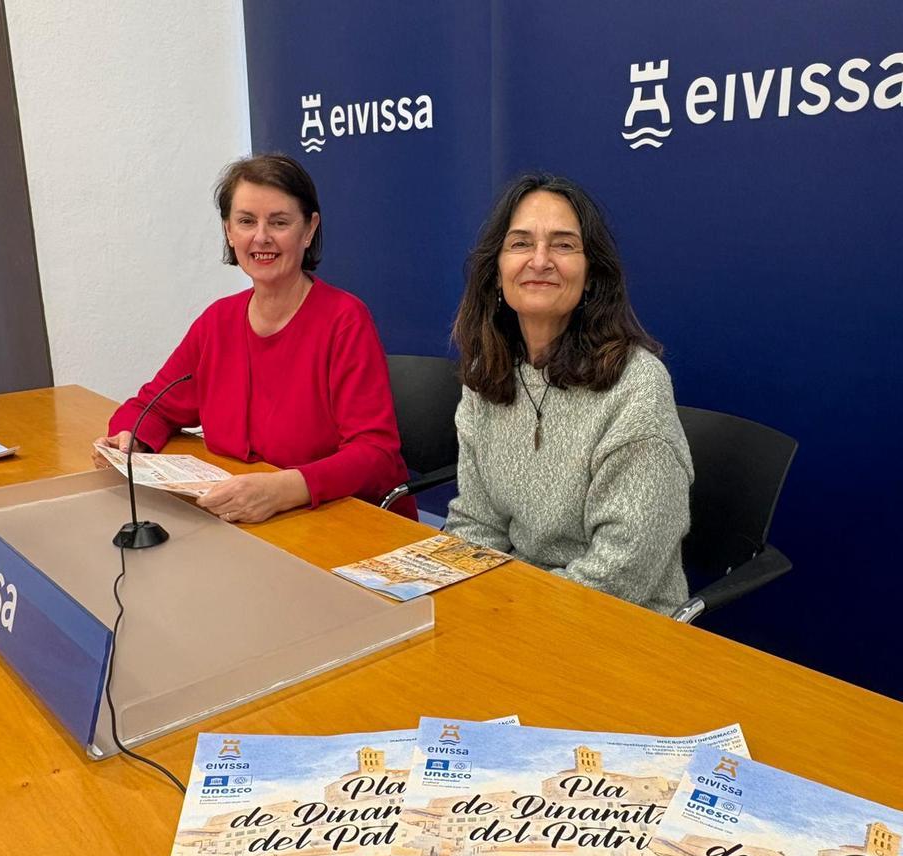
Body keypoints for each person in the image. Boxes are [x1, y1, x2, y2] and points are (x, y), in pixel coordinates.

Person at [94, 154, 416, 522]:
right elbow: (151, 406)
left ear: (308, 230)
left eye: (279, 222)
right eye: (246, 221)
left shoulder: (345, 320)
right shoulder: (217, 321)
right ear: (229, 231)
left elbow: (375, 454)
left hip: (344, 522)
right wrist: (130, 440)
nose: (261, 237)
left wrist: (284, 489)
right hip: (245, 520)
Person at [445, 174, 693, 614]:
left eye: (563, 245)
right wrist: (455, 606)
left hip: (620, 629)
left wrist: (505, 613)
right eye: (520, 243)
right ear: (496, 273)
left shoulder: (637, 386)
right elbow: (476, 526)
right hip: (516, 611)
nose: (539, 260)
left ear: (592, 274)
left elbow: (620, 575)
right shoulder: (488, 375)